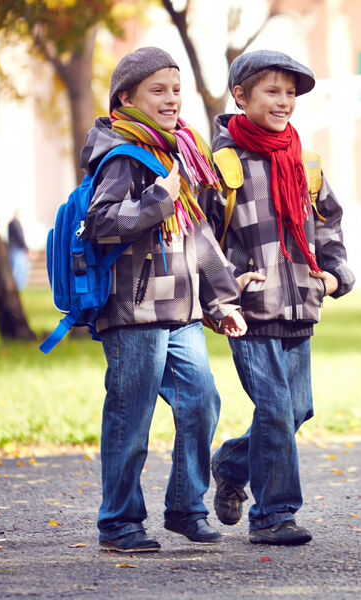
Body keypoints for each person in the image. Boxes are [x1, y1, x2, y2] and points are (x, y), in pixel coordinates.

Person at [82, 47, 248, 553]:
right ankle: (120, 522)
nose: (172, 99)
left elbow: (197, 234)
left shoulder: (177, 151)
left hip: (180, 309)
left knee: (201, 402)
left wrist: (220, 301)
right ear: (126, 98)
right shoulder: (122, 155)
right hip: (133, 311)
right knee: (130, 417)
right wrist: (159, 199)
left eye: (176, 89)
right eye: (159, 90)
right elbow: (102, 223)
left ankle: (184, 508)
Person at [206, 50, 355, 546]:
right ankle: (274, 516)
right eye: (272, 91)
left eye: (290, 93)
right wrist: (228, 283)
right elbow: (199, 238)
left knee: (297, 409)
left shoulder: (305, 162)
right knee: (273, 407)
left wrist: (333, 274)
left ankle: (231, 463)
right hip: (249, 311)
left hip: (300, 304)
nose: (284, 101)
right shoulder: (223, 164)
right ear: (241, 97)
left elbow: (328, 221)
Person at [7, 211, 30, 290]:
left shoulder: (12, 223)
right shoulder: (15, 223)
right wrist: (26, 248)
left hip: (14, 250)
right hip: (17, 250)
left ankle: (18, 287)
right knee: (19, 270)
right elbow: (20, 236)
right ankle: (18, 287)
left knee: (17, 269)